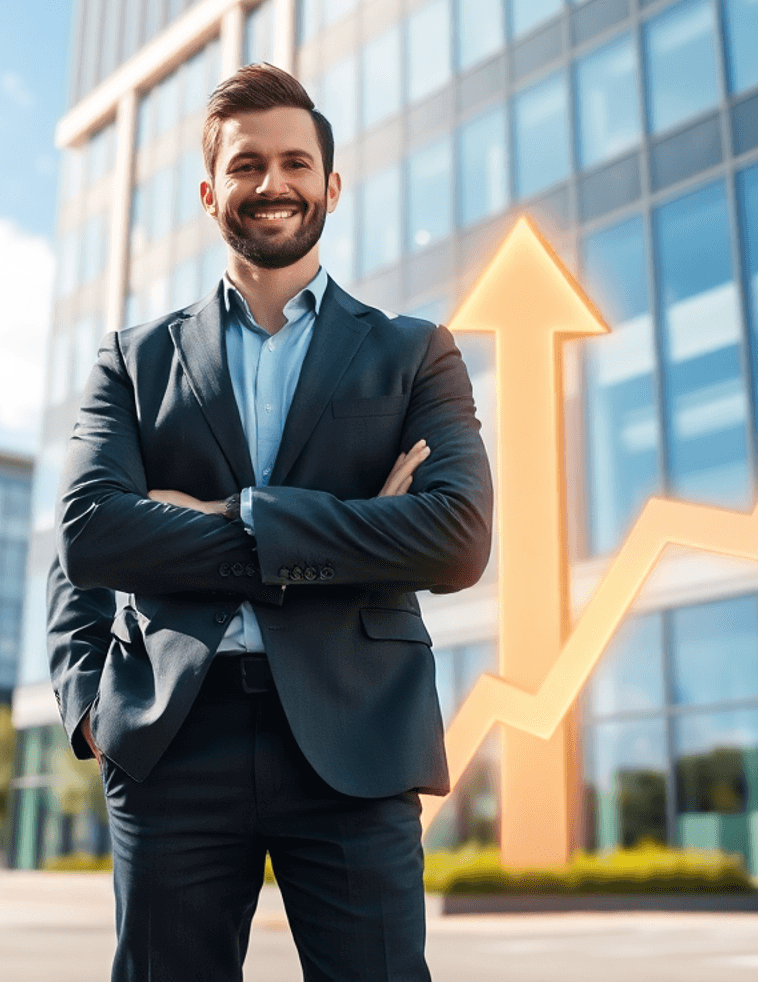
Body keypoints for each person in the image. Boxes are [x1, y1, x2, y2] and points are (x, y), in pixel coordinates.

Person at [49, 63, 493, 982]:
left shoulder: (415, 354)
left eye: (295, 162)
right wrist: (85, 702)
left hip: (356, 732)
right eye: (248, 165)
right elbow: (91, 537)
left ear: (331, 186)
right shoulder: (133, 362)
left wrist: (225, 515)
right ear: (211, 192)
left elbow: (455, 539)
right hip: (174, 739)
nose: (272, 183)